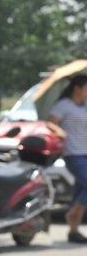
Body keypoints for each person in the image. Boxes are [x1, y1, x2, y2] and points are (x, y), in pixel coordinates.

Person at [48, 74, 87, 243]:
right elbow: (50, 123)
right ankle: (72, 215)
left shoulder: (85, 106)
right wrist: (59, 131)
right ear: (77, 88)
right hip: (73, 154)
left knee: (80, 191)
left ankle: (73, 231)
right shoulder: (63, 105)